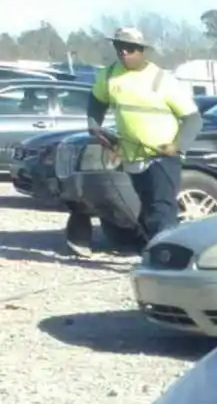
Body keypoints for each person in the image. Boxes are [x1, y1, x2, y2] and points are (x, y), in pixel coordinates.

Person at [82, 27, 201, 252]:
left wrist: (177, 146)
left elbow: (193, 120)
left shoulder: (161, 80)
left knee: (162, 209)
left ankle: (165, 256)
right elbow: (97, 100)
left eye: (131, 48)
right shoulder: (108, 76)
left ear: (143, 51)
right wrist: (94, 125)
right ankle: (155, 252)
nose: (125, 52)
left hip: (163, 157)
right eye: (120, 47)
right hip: (131, 155)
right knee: (146, 210)